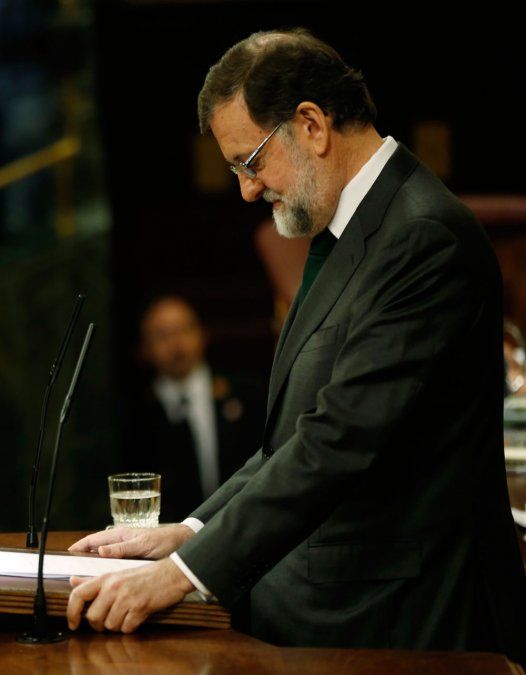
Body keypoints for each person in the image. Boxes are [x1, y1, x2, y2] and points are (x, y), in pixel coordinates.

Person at [67, 28, 526, 664]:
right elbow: (291, 439)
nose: (247, 190)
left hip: (404, 624)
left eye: (249, 162)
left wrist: (182, 574)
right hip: (336, 603)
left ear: (311, 125)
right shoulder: (349, 226)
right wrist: (192, 532)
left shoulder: (423, 236)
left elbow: (336, 441)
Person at [122, 294, 266, 521]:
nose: (176, 344)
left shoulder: (245, 396)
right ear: (145, 348)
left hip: (239, 523)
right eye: (162, 335)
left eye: (184, 330)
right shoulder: (134, 412)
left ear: (202, 333)